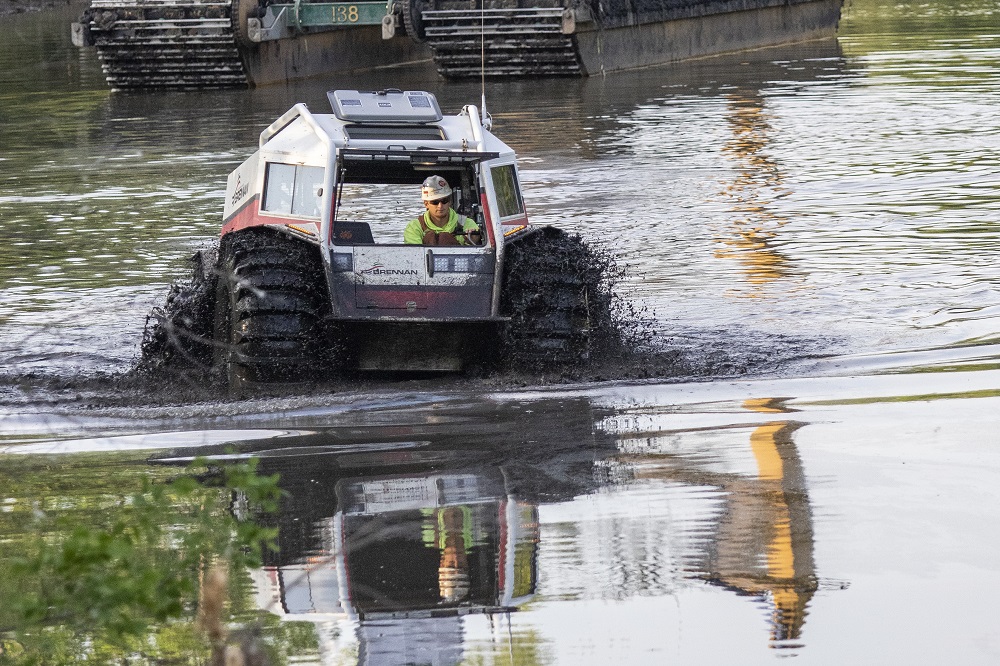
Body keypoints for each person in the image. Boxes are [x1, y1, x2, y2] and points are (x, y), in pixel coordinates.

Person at [403, 175, 482, 246]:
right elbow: (416, 257)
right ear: (426, 204)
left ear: (450, 201)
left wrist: (472, 243)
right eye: (435, 202)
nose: (440, 206)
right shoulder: (414, 227)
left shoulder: (467, 224)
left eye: (444, 200)